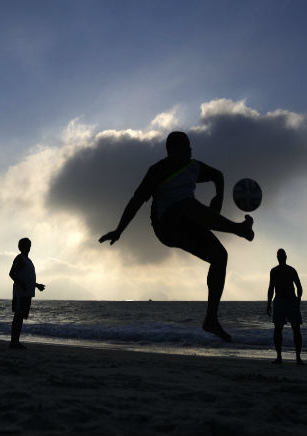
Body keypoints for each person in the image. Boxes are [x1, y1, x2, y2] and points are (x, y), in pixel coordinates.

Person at [99, 131, 255, 342]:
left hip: (190, 223)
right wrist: (119, 230)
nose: (191, 150)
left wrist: (218, 200)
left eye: (190, 146)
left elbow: (218, 175)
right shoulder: (158, 170)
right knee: (186, 205)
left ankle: (211, 319)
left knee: (220, 256)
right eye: (186, 147)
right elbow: (136, 200)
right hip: (166, 225)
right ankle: (239, 229)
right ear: (172, 150)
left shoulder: (194, 166)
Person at [267, 248, 304, 364]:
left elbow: (299, 287)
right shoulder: (273, 271)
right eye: (279, 255)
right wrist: (268, 303)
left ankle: (298, 358)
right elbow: (271, 288)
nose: (281, 257)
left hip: (291, 300)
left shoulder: (291, 270)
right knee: (278, 329)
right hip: (279, 301)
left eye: (282, 255)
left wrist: (298, 299)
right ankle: (279, 357)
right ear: (277, 257)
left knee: (296, 329)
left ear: (285, 257)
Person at [9, 237, 45, 349]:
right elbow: (11, 273)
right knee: (18, 317)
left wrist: (37, 285)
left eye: (29, 245)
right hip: (20, 293)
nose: (28, 248)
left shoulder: (28, 261)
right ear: (21, 247)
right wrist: (21, 284)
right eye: (26, 245)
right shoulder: (19, 258)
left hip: (27, 294)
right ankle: (14, 342)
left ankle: (16, 342)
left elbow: (28, 279)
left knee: (20, 317)